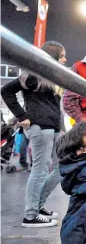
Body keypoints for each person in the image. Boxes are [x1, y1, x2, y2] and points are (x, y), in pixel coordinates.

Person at [1, 41, 67, 227]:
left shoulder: (53, 77)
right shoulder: (34, 76)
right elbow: (6, 91)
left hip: (52, 128)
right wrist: (22, 116)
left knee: (59, 168)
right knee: (39, 170)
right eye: (62, 55)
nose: (65, 59)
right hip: (40, 128)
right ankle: (30, 216)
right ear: (53, 57)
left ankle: (37, 206)